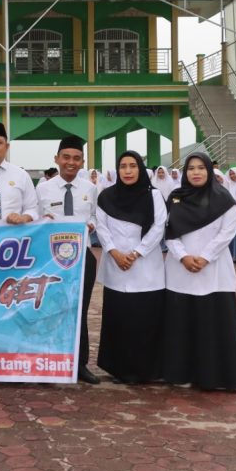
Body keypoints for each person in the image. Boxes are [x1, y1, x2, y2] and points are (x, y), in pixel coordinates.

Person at [161, 151, 236, 391]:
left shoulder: (223, 199)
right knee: (182, 324)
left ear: (209, 170)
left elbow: (227, 232)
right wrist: (184, 256)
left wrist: (205, 257)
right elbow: (169, 231)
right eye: (191, 168)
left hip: (214, 271)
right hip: (180, 270)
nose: (196, 172)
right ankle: (181, 373)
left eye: (201, 168)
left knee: (212, 324)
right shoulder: (176, 198)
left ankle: (215, 377)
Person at [94, 150, 167, 385]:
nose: (127, 171)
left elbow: (158, 227)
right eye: (123, 166)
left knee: (145, 320)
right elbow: (101, 227)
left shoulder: (154, 196)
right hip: (116, 266)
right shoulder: (106, 197)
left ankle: (147, 370)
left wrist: (137, 253)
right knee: (120, 319)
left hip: (146, 266)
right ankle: (120, 369)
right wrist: (114, 252)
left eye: (132, 166)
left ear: (140, 169)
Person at [36, 135, 100, 384]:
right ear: (57, 159)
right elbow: (33, 218)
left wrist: (92, 224)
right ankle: (48, 361)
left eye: (76, 158)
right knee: (50, 309)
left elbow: (96, 216)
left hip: (82, 255)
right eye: (66, 158)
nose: (71, 163)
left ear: (82, 161)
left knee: (80, 310)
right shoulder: (43, 189)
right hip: (50, 260)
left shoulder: (90, 189)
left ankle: (80, 364)